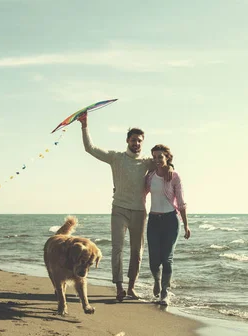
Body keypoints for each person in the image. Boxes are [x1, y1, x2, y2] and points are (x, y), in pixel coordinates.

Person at [78, 112, 159, 301]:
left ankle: (131, 287)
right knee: (117, 249)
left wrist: (170, 169)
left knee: (137, 251)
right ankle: (119, 287)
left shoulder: (147, 162)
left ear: (142, 142)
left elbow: (165, 162)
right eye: (133, 140)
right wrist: (84, 126)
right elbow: (90, 148)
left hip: (139, 211)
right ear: (127, 141)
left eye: (139, 141)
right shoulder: (116, 158)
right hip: (119, 209)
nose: (136, 143)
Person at [145, 144, 190, 305]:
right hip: (153, 220)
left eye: (160, 157)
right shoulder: (150, 176)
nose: (157, 160)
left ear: (167, 158)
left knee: (167, 258)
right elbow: (139, 191)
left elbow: (182, 202)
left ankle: (165, 291)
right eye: (154, 157)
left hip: (171, 220)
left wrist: (186, 225)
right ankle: (157, 281)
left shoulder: (174, 176)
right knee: (153, 259)